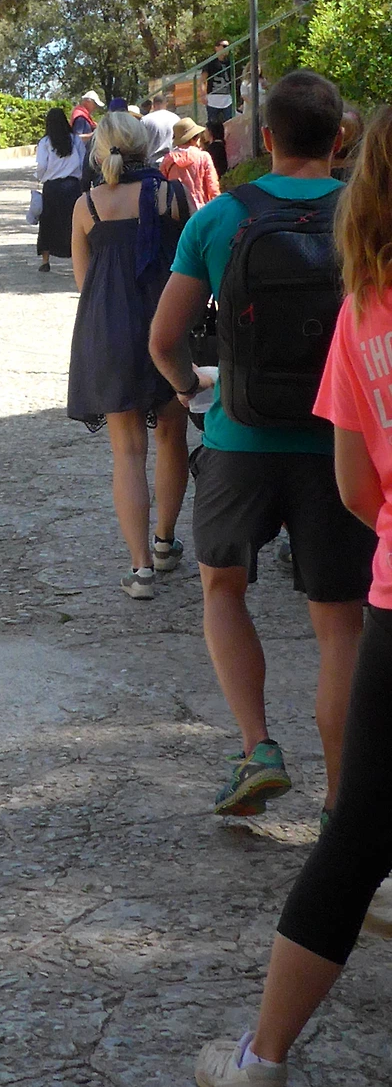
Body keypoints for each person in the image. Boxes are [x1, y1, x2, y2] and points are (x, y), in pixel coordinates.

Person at [193, 105, 392, 1087]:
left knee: (354, 836)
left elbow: (361, 489)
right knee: (333, 630)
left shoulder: (366, 308)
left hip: (264, 459)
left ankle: (259, 1056)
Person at [149, 71, 375, 827]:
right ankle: (341, 802)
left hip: (240, 437)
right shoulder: (366, 215)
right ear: (339, 139)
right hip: (338, 443)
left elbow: (164, 339)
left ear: (267, 138)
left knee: (222, 589)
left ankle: (257, 749)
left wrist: (191, 391)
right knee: (339, 623)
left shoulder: (222, 218)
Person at [67, 112, 191, 599]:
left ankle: (140, 570)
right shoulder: (170, 196)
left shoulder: (86, 207)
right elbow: (192, 264)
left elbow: (85, 283)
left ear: (99, 152)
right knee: (172, 438)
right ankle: (164, 543)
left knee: (127, 451)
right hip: (166, 326)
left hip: (110, 331)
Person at [34, 107, 83, 273]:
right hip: (72, 186)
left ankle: (45, 260)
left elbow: (41, 165)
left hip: (52, 188)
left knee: (48, 222)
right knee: (72, 223)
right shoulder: (75, 140)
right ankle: (77, 260)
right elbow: (83, 161)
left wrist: (39, 177)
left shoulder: (45, 142)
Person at [161, 117, 220, 210]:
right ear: (194, 138)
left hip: (175, 209)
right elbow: (212, 186)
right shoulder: (203, 157)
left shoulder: (168, 159)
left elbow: (162, 186)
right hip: (200, 209)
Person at [199, 41, 236, 177]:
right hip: (213, 98)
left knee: (230, 124)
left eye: (228, 46)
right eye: (224, 46)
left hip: (227, 98)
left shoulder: (230, 62)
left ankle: (229, 153)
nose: (227, 48)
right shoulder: (210, 62)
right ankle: (212, 157)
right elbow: (203, 79)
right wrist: (203, 94)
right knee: (212, 127)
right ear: (217, 47)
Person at [140, 94, 179, 166]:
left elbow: (141, 143)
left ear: (153, 105)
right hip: (172, 162)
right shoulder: (176, 118)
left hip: (152, 162)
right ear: (166, 104)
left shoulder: (145, 120)